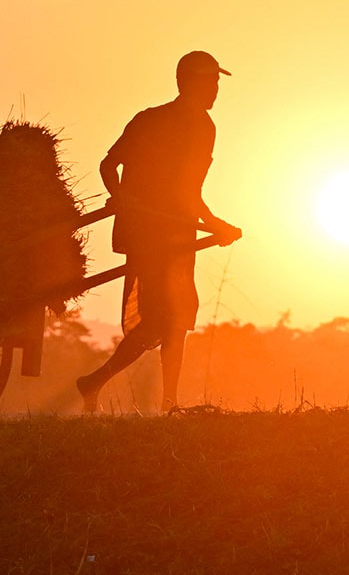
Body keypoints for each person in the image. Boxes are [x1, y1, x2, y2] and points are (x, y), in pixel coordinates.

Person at [77, 50, 242, 413]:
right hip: (147, 233)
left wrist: (214, 223)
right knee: (157, 321)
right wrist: (119, 196)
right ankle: (96, 382)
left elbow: (189, 190)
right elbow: (109, 165)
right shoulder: (150, 121)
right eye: (211, 82)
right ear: (190, 83)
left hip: (178, 234)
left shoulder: (205, 128)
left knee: (178, 319)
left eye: (217, 82)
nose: (216, 89)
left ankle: (167, 403)